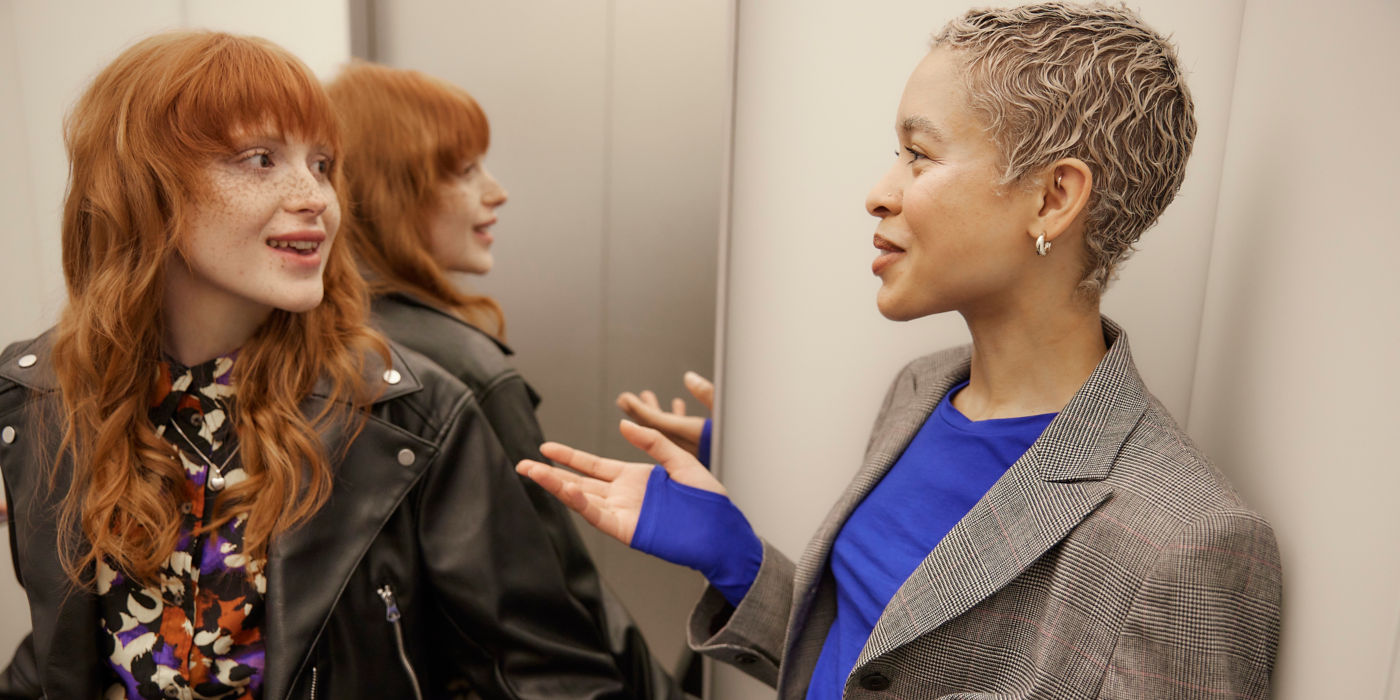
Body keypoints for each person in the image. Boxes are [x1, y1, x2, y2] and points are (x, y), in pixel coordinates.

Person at [518, 3, 1283, 698]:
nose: (880, 191)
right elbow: (870, 664)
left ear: (1054, 197)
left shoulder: (1187, 542)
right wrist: (739, 561)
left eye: (920, 155)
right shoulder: (918, 393)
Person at [0, 31, 630, 699]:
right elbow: (55, 659)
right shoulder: (40, 396)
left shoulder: (407, 415)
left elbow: (554, 677)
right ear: (142, 187)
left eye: (324, 164)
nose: (316, 198)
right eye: (261, 159)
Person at [326, 61, 683, 699]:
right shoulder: (458, 368)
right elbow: (559, 605)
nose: (497, 191)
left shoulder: (320, 347)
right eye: (463, 171)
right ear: (391, 190)